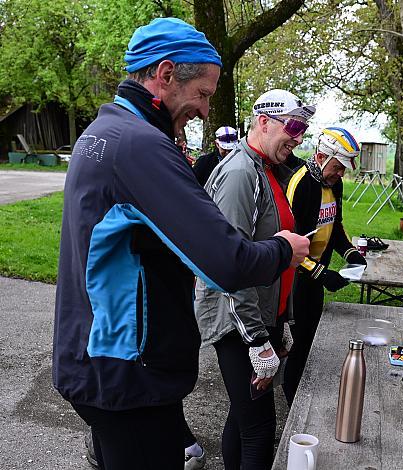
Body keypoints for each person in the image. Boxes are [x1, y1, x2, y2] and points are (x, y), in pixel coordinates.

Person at [53, 19, 309, 470]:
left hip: (103, 358)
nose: (208, 111)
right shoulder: (138, 146)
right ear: (166, 74)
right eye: (205, 95)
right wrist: (285, 249)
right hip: (127, 369)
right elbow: (226, 261)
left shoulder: (106, 132)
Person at [194, 88, 315, 470]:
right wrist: (258, 340)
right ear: (263, 121)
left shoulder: (266, 169)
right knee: (259, 429)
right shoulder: (240, 174)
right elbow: (231, 266)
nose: (298, 137)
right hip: (238, 323)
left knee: (243, 418)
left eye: (303, 129)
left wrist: (282, 321)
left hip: (261, 317)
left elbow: (280, 251)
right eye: (293, 126)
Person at [281, 126, 367, 406]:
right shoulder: (302, 184)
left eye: (344, 169)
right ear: (320, 156)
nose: (341, 174)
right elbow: (289, 244)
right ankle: (292, 403)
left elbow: (334, 225)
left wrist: (350, 253)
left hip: (315, 277)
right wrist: (321, 273)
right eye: (338, 167)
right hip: (296, 278)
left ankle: (300, 399)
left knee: (309, 341)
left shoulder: (334, 184)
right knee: (297, 344)